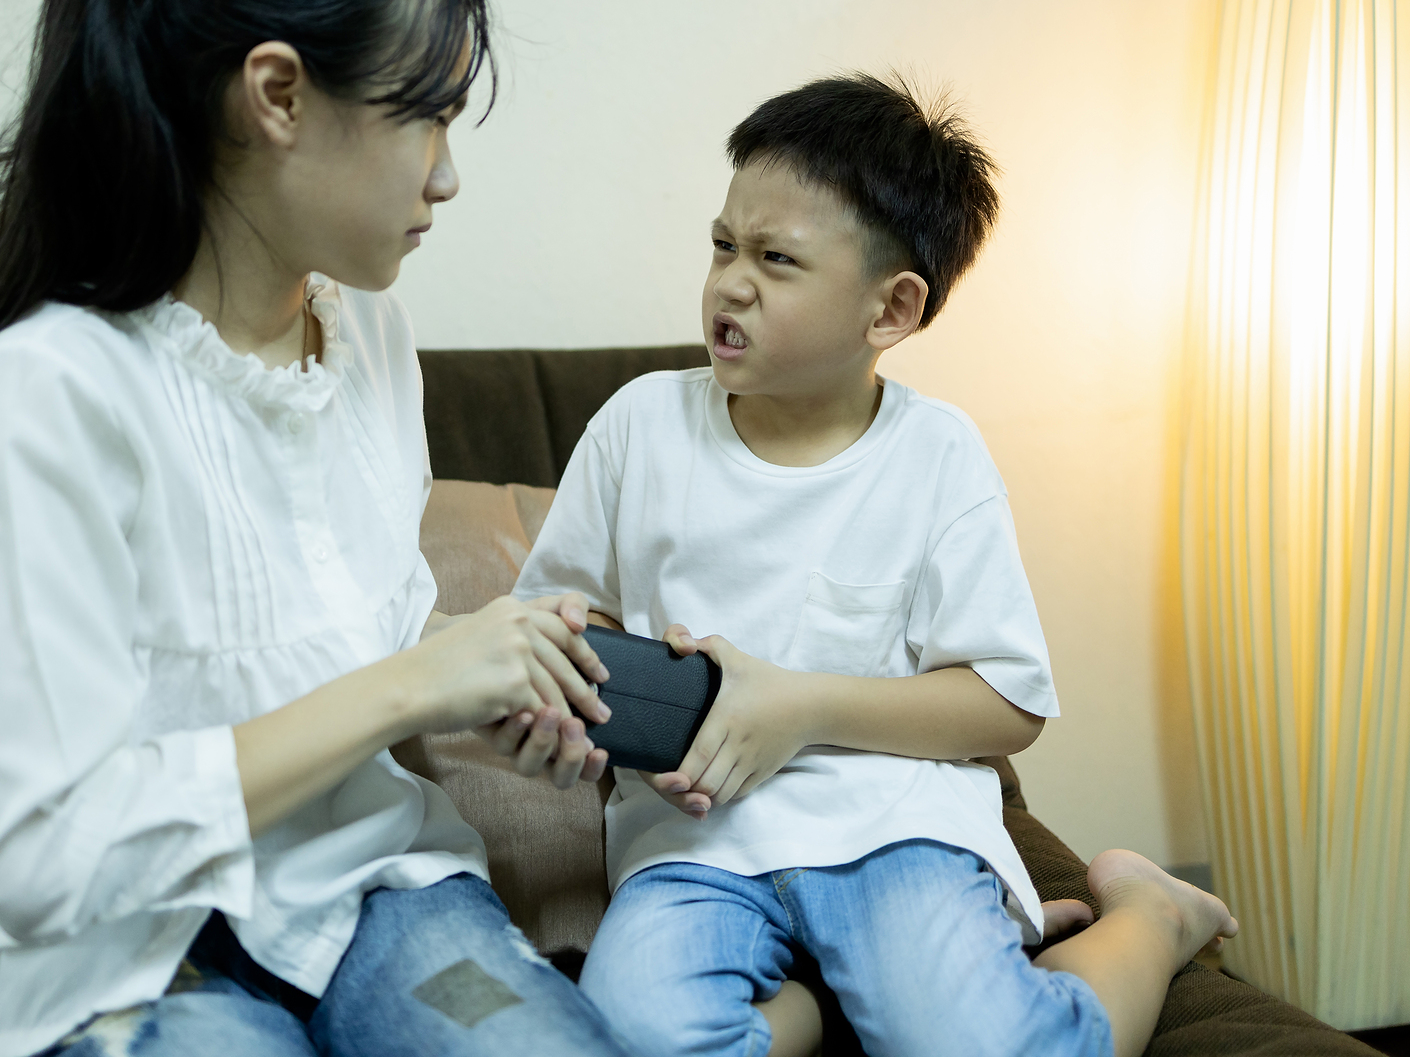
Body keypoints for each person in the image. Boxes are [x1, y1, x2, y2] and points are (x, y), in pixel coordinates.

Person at [0, 0, 634, 1055]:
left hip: (370, 886)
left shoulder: (371, 332)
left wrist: (490, 691)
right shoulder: (48, 389)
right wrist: (414, 681)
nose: (446, 173)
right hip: (115, 943)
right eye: (424, 113)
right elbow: (43, 853)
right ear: (277, 94)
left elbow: (334, 659)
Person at [512, 73, 1239, 1057]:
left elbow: (1004, 702)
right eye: (722, 244)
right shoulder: (639, 426)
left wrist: (798, 705)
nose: (729, 281)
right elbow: (551, 625)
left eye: (775, 258)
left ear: (890, 309)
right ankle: (830, 1005)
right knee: (632, 1033)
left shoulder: (937, 455)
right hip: (696, 843)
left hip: (892, 831)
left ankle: (1149, 916)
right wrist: (627, 707)